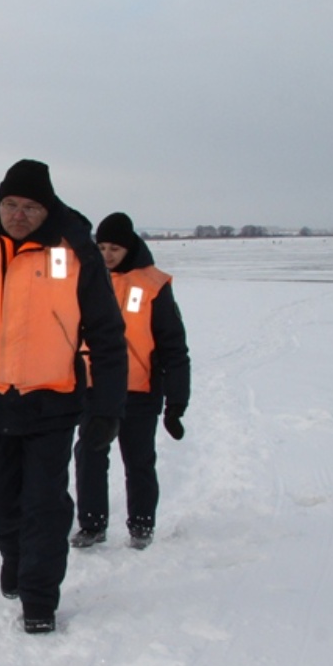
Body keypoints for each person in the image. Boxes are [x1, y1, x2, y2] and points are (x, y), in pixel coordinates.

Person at [0, 160, 127, 635]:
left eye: (31, 207)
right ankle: (14, 551)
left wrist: (106, 408)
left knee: (44, 505)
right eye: (11, 204)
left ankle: (39, 598)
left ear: (47, 209)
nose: (19, 215)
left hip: (51, 400)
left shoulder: (75, 250)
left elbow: (107, 335)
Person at [71, 212, 191, 550]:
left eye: (114, 248)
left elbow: (174, 347)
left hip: (140, 391)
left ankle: (141, 524)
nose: (106, 255)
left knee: (138, 461)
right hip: (94, 389)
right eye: (102, 247)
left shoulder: (153, 285)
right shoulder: (85, 279)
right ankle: (92, 525)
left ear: (130, 248)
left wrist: (176, 403)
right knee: (89, 457)